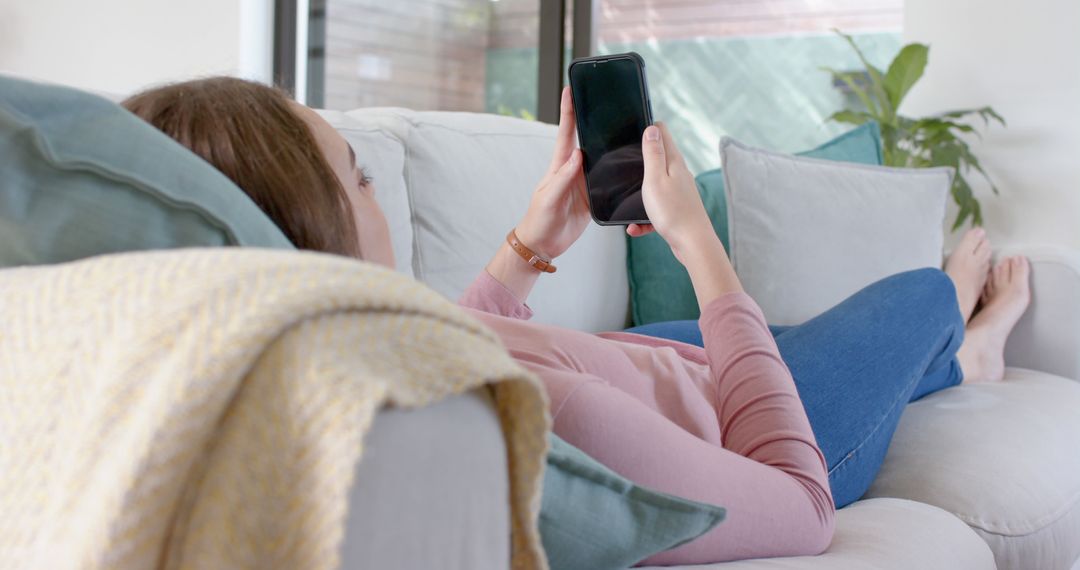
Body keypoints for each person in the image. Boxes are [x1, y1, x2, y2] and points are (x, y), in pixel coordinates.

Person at [122, 77, 1031, 566]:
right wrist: (697, 245)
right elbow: (801, 510)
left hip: (657, 367)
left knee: (791, 333)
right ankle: (965, 343)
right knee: (915, 291)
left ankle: (940, 361)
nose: (375, 192)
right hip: (771, 436)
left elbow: (467, 330)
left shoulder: (349, 349)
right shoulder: (549, 419)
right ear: (307, 230)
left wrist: (533, 238)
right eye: (359, 177)